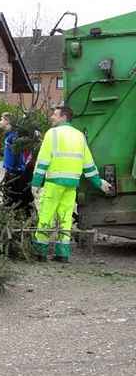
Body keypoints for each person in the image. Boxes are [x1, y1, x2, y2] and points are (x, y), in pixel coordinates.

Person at [31, 106, 113, 262]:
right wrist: (99, 183)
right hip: (71, 184)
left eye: (55, 115)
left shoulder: (52, 134)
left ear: (64, 117)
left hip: (54, 182)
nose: (52, 117)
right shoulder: (79, 136)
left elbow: (43, 161)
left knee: (46, 215)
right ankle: (63, 254)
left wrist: (36, 182)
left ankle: (40, 251)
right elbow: (88, 163)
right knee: (65, 217)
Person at [0, 112, 33, 215]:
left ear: (7, 122)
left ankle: (24, 220)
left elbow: (18, 156)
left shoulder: (14, 137)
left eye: (1, 119)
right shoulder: (9, 136)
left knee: (17, 200)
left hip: (15, 175)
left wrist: (14, 169)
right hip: (11, 173)